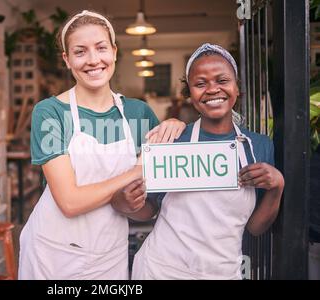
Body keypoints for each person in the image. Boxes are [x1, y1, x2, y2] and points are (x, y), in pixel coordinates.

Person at [18, 10, 186, 280]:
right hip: (52, 253)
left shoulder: (139, 113)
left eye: (101, 48)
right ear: (67, 59)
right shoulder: (49, 113)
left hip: (109, 252)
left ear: (115, 52)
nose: (93, 60)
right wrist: (136, 171)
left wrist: (177, 127)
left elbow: (159, 191)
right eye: (80, 51)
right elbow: (69, 202)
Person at [129, 43, 285, 280]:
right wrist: (128, 199)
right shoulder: (173, 140)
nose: (213, 89)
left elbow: (255, 228)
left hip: (224, 273)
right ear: (190, 94)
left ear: (236, 88)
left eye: (222, 80)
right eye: (200, 84)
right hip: (161, 271)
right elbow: (148, 208)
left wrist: (277, 186)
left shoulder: (258, 146)